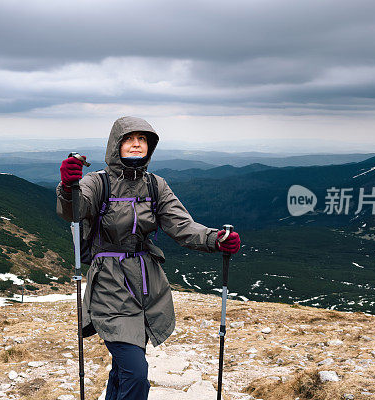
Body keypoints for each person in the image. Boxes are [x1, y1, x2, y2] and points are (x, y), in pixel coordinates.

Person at [56, 116, 241, 399]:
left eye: (142, 139)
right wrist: (69, 187)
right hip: (109, 285)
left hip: (147, 287)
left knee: (123, 369)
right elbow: (74, 212)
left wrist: (216, 239)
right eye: (129, 139)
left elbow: (182, 226)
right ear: (116, 145)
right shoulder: (97, 182)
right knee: (135, 374)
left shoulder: (156, 185)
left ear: (150, 146)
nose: (136, 144)